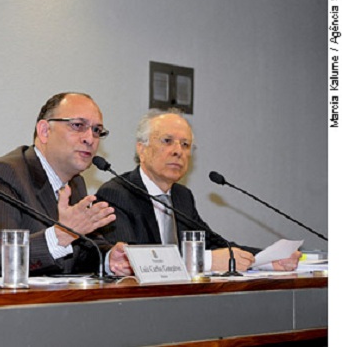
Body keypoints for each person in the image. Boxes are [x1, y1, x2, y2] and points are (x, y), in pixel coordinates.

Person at [96, 109, 301, 272]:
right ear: (141, 148)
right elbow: (131, 259)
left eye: (186, 145)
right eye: (167, 141)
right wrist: (206, 261)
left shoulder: (181, 196)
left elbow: (216, 244)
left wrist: (268, 259)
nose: (178, 151)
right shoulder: (116, 193)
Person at [0, 92, 132, 277]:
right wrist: (62, 235)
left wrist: (110, 259)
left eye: (97, 130)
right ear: (45, 131)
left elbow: (82, 252)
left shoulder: (75, 183)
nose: (90, 138)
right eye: (78, 126)